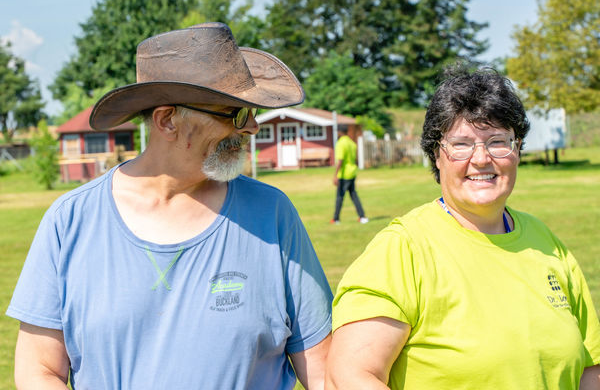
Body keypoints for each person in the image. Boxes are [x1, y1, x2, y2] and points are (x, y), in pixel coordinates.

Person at [7, 23, 333, 389]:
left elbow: (323, 371)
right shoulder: (70, 221)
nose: (252, 127)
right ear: (167, 120)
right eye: (236, 113)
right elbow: (39, 370)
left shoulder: (272, 213)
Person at [326, 66, 600, 389]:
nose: (481, 158)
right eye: (461, 144)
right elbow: (349, 376)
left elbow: (590, 370)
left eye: (498, 141)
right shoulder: (402, 249)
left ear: (517, 150)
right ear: (436, 155)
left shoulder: (547, 244)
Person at [331, 125, 368, 224]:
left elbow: (340, 160)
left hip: (344, 175)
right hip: (352, 172)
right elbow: (354, 158)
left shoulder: (341, 143)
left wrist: (335, 175)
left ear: (339, 132)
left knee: (340, 197)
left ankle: (336, 219)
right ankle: (362, 217)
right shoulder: (352, 143)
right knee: (354, 195)